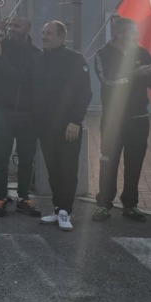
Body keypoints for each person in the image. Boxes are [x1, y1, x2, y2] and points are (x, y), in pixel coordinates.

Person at [92, 17, 151, 222]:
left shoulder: (142, 53)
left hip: (138, 118)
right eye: (133, 33)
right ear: (119, 34)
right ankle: (104, 204)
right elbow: (108, 81)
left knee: (134, 162)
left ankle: (130, 204)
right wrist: (134, 74)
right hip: (113, 120)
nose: (136, 36)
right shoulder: (103, 54)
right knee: (109, 161)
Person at [32, 21, 93, 231]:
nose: (44, 36)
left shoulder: (75, 59)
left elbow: (85, 93)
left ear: (61, 36)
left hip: (69, 126)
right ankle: (58, 209)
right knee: (54, 169)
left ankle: (66, 211)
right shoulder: (39, 59)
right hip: (46, 127)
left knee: (68, 169)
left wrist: (76, 121)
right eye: (43, 32)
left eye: (48, 33)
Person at [0, 15, 43, 218]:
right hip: (3, 110)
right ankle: (0, 196)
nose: (11, 28)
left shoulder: (36, 54)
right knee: (0, 158)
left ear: (27, 27)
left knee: (27, 159)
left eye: (16, 25)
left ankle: (23, 197)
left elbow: (23, 79)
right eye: (9, 25)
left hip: (28, 114)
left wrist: (0, 59)